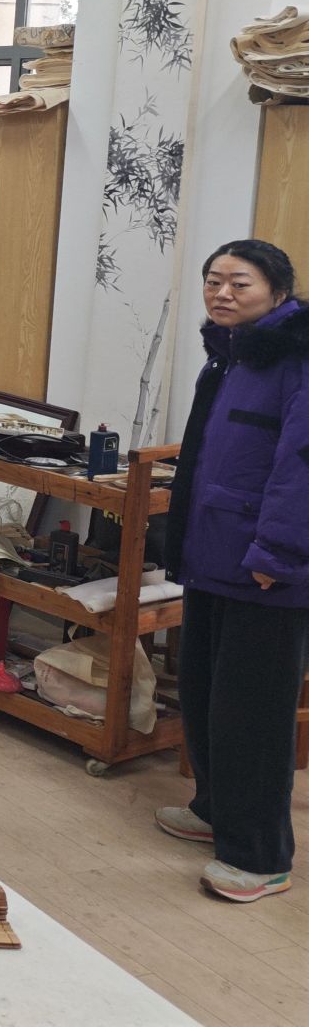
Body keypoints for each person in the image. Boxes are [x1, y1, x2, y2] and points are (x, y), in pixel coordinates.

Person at [156, 238, 309, 904]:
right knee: (204, 693)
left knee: (253, 716)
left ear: (278, 292)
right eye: (213, 280)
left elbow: (301, 468)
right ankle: (216, 809)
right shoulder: (231, 354)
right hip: (214, 555)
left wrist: (278, 555)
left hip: (267, 567)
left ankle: (259, 855)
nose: (221, 293)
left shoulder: (297, 358)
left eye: (239, 283)